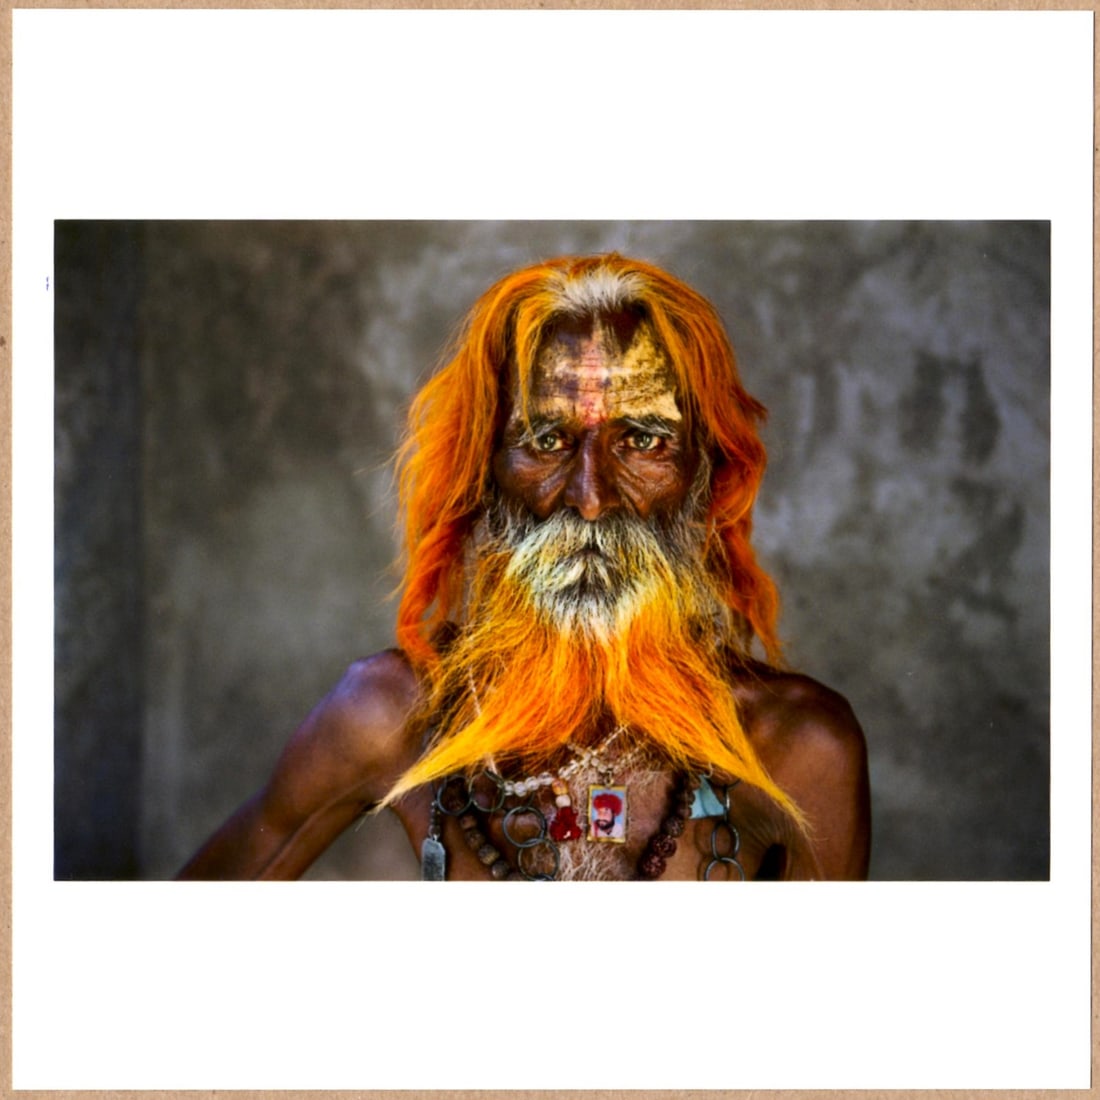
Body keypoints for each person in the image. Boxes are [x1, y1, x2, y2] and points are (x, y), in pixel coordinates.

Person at [178, 253, 871, 882]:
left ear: (704, 475)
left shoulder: (797, 749)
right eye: (546, 439)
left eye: (642, 440)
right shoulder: (390, 715)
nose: (590, 499)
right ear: (483, 473)